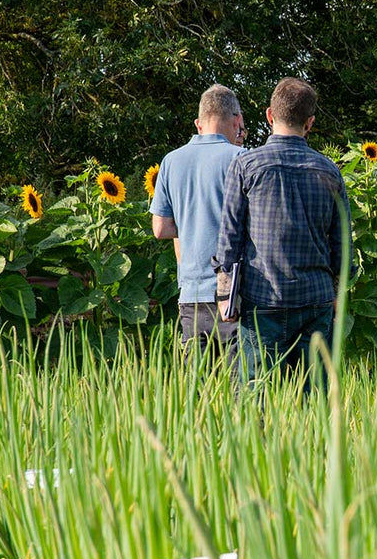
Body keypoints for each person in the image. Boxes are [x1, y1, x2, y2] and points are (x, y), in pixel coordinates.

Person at [214, 77, 352, 389]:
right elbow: (342, 246)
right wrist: (336, 296)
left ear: (269, 115)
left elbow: (229, 239)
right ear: (311, 122)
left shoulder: (246, 166)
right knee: (313, 396)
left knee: (256, 395)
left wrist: (225, 295)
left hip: (263, 299)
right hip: (315, 299)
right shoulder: (330, 171)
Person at [150, 84, 245, 352]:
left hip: (190, 294)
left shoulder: (171, 161)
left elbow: (160, 228)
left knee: (196, 389)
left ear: (198, 123)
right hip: (232, 294)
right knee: (240, 388)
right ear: (236, 121)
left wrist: (193, 223)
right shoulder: (241, 159)